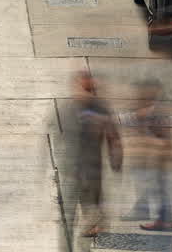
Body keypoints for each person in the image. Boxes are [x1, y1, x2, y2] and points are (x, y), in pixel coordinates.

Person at [72, 71, 122, 237]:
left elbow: (112, 135)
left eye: (89, 89)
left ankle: (95, 223)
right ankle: (94, 222)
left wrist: (116, 157)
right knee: (84, 192)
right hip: (76, 157)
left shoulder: (101, 108)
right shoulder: (74, 107)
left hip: (92, 158)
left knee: (92, 192)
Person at [124, 79, 172, 232]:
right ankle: (162, 219)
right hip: (158, 154)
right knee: (160, 187)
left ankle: (164, 221)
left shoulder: (158, 110)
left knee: (162, 187)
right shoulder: (153, 109)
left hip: (160, 154)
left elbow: (165, 137)